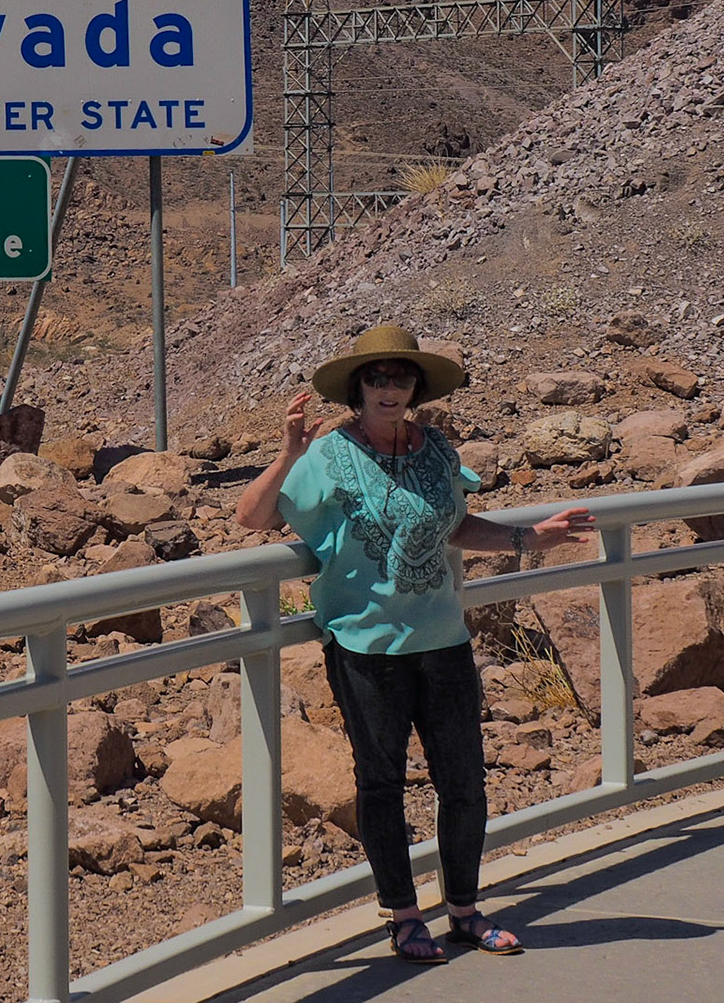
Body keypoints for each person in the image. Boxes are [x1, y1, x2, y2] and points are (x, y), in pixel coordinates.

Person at [235, 324, 594, 963]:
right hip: (366, 647)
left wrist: (530, 538)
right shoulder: (327, 454)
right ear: (357, 388)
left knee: (465, 781)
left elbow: (456, 526)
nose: (390, 387)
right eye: (377, 377)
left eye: (401, 377)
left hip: (443, 640)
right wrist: (289, 452)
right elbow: (252, 518)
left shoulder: (437, 450)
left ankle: (464, 911)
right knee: (382, 784)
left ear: (416, 388)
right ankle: (403, 916)